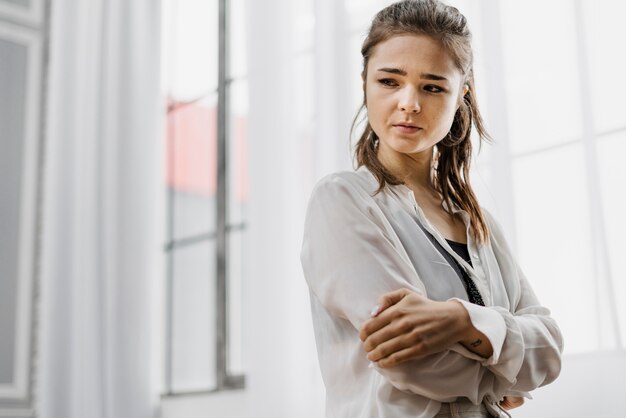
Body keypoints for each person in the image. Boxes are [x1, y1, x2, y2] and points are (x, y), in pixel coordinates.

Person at [300, 1, 564, 417]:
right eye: (389, 81)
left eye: (433, 86)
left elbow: (549, 347)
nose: (409, 103)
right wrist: (504, 372)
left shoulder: (477, 223)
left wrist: (463, 322)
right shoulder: (343, 200)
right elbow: (411, 362)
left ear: (462, 94)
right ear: (365, 82)